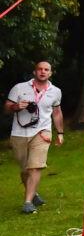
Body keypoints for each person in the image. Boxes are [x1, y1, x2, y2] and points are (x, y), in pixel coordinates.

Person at [5, 61, 63, 214]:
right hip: (19, 133)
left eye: (46, 70)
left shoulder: (55, 91)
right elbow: (6, 107)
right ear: (34, 72)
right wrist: (16, 107)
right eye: (40, 69)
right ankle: (34, 194)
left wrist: (60, 133)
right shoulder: (19, 88)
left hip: (42, 132)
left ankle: (28, 202)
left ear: (50, 73)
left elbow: (56, 113)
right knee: (25, 169)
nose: (43, 72)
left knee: (35, 167)